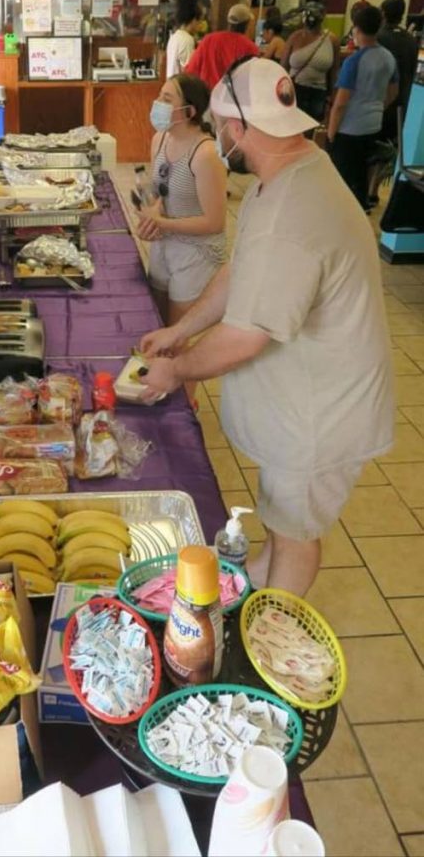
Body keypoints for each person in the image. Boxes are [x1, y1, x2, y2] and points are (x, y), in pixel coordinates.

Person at [137, 57, 393, 597]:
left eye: (222, 128)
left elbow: (246, 335)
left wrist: (178, 370)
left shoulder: (291, 212)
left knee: (296, 531)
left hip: (322, 411)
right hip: (307, 397)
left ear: (236, 129)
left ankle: (273, 630)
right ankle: (257, 582)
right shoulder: (288, 174)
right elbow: (238, 271)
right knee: (281, 519)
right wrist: (181, 332)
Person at [137, 74, 227, 399]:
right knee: (157, 322)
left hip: (196, 254)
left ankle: (186, 408)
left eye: (166, 99)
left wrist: (165, 223)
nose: (158, 105)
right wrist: (151, 215)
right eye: (159, 96)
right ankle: (157, 390)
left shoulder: (206, 155)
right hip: (165, 245)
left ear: (189, 112)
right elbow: (159, 190)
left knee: (177, 338)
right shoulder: (159, 139)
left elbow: (215, 222)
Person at [327, 5, 399, 211]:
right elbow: (393, 92)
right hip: (373, 123)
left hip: (350, 128)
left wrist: (331, 134)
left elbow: (341, 103)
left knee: (343, 175)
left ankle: (344, 212)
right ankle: (362, 206)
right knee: (361, 171)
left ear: (356, 29)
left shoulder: (354, 61)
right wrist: (377, 106)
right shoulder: (388, 57)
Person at [280, 1, 340, 124]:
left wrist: (332, 96)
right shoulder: (294, 37)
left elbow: (334, 71)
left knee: (311, 127)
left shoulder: (332, 40)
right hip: (295, 89)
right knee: (292, 125)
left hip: (318, 93)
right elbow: (283, 67)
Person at [184, 3, 259, 90]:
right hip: (231, 100)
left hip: (205, 97)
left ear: (229, 23)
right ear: (247, 25)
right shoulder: (250, 47)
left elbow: (190, 71)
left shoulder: (208, 39)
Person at [377, 0, 418, 143]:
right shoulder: (411, 40)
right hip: (404, 101)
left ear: (383, 13)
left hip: (382, 101)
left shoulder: (378, 38)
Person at [166, 0, 201, 77]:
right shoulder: (187, 39)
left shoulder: (174, 37)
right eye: (198, 20)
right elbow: (189, 71)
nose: (199, 24)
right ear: (193, 20)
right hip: (181, 88)